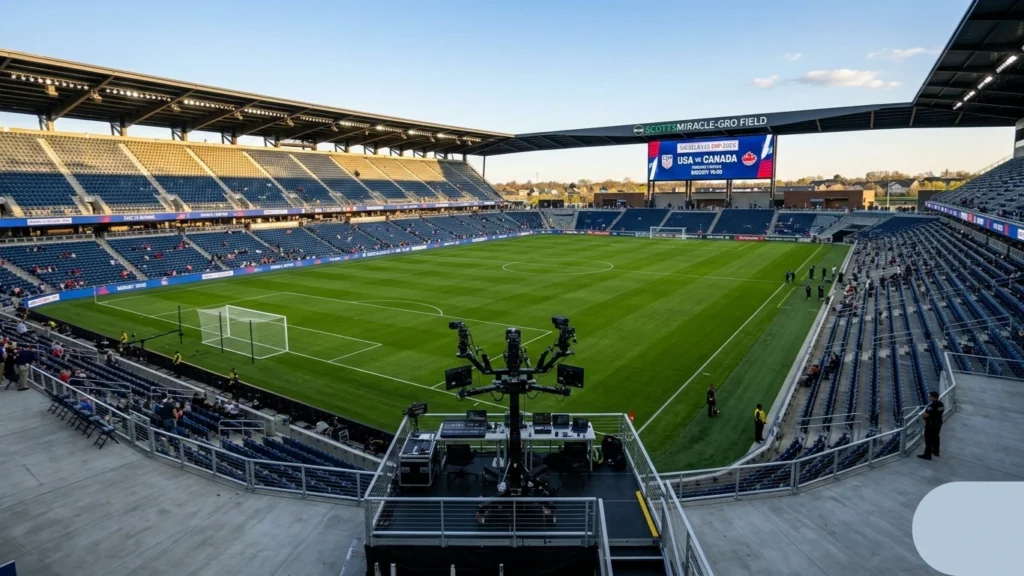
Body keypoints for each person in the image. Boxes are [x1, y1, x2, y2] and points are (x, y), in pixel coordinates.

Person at [918, 391, 945, 460]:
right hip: (938, 423)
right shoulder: (941, 404)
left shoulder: (931, 406)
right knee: (936, 437)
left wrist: (923, 416)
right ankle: (936, 451)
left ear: (933, 397)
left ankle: (927, 454)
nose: (929, 397)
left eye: (930, 396)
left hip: (931, 424)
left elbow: (926, 415)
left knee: (928, 439)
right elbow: (939, 412)